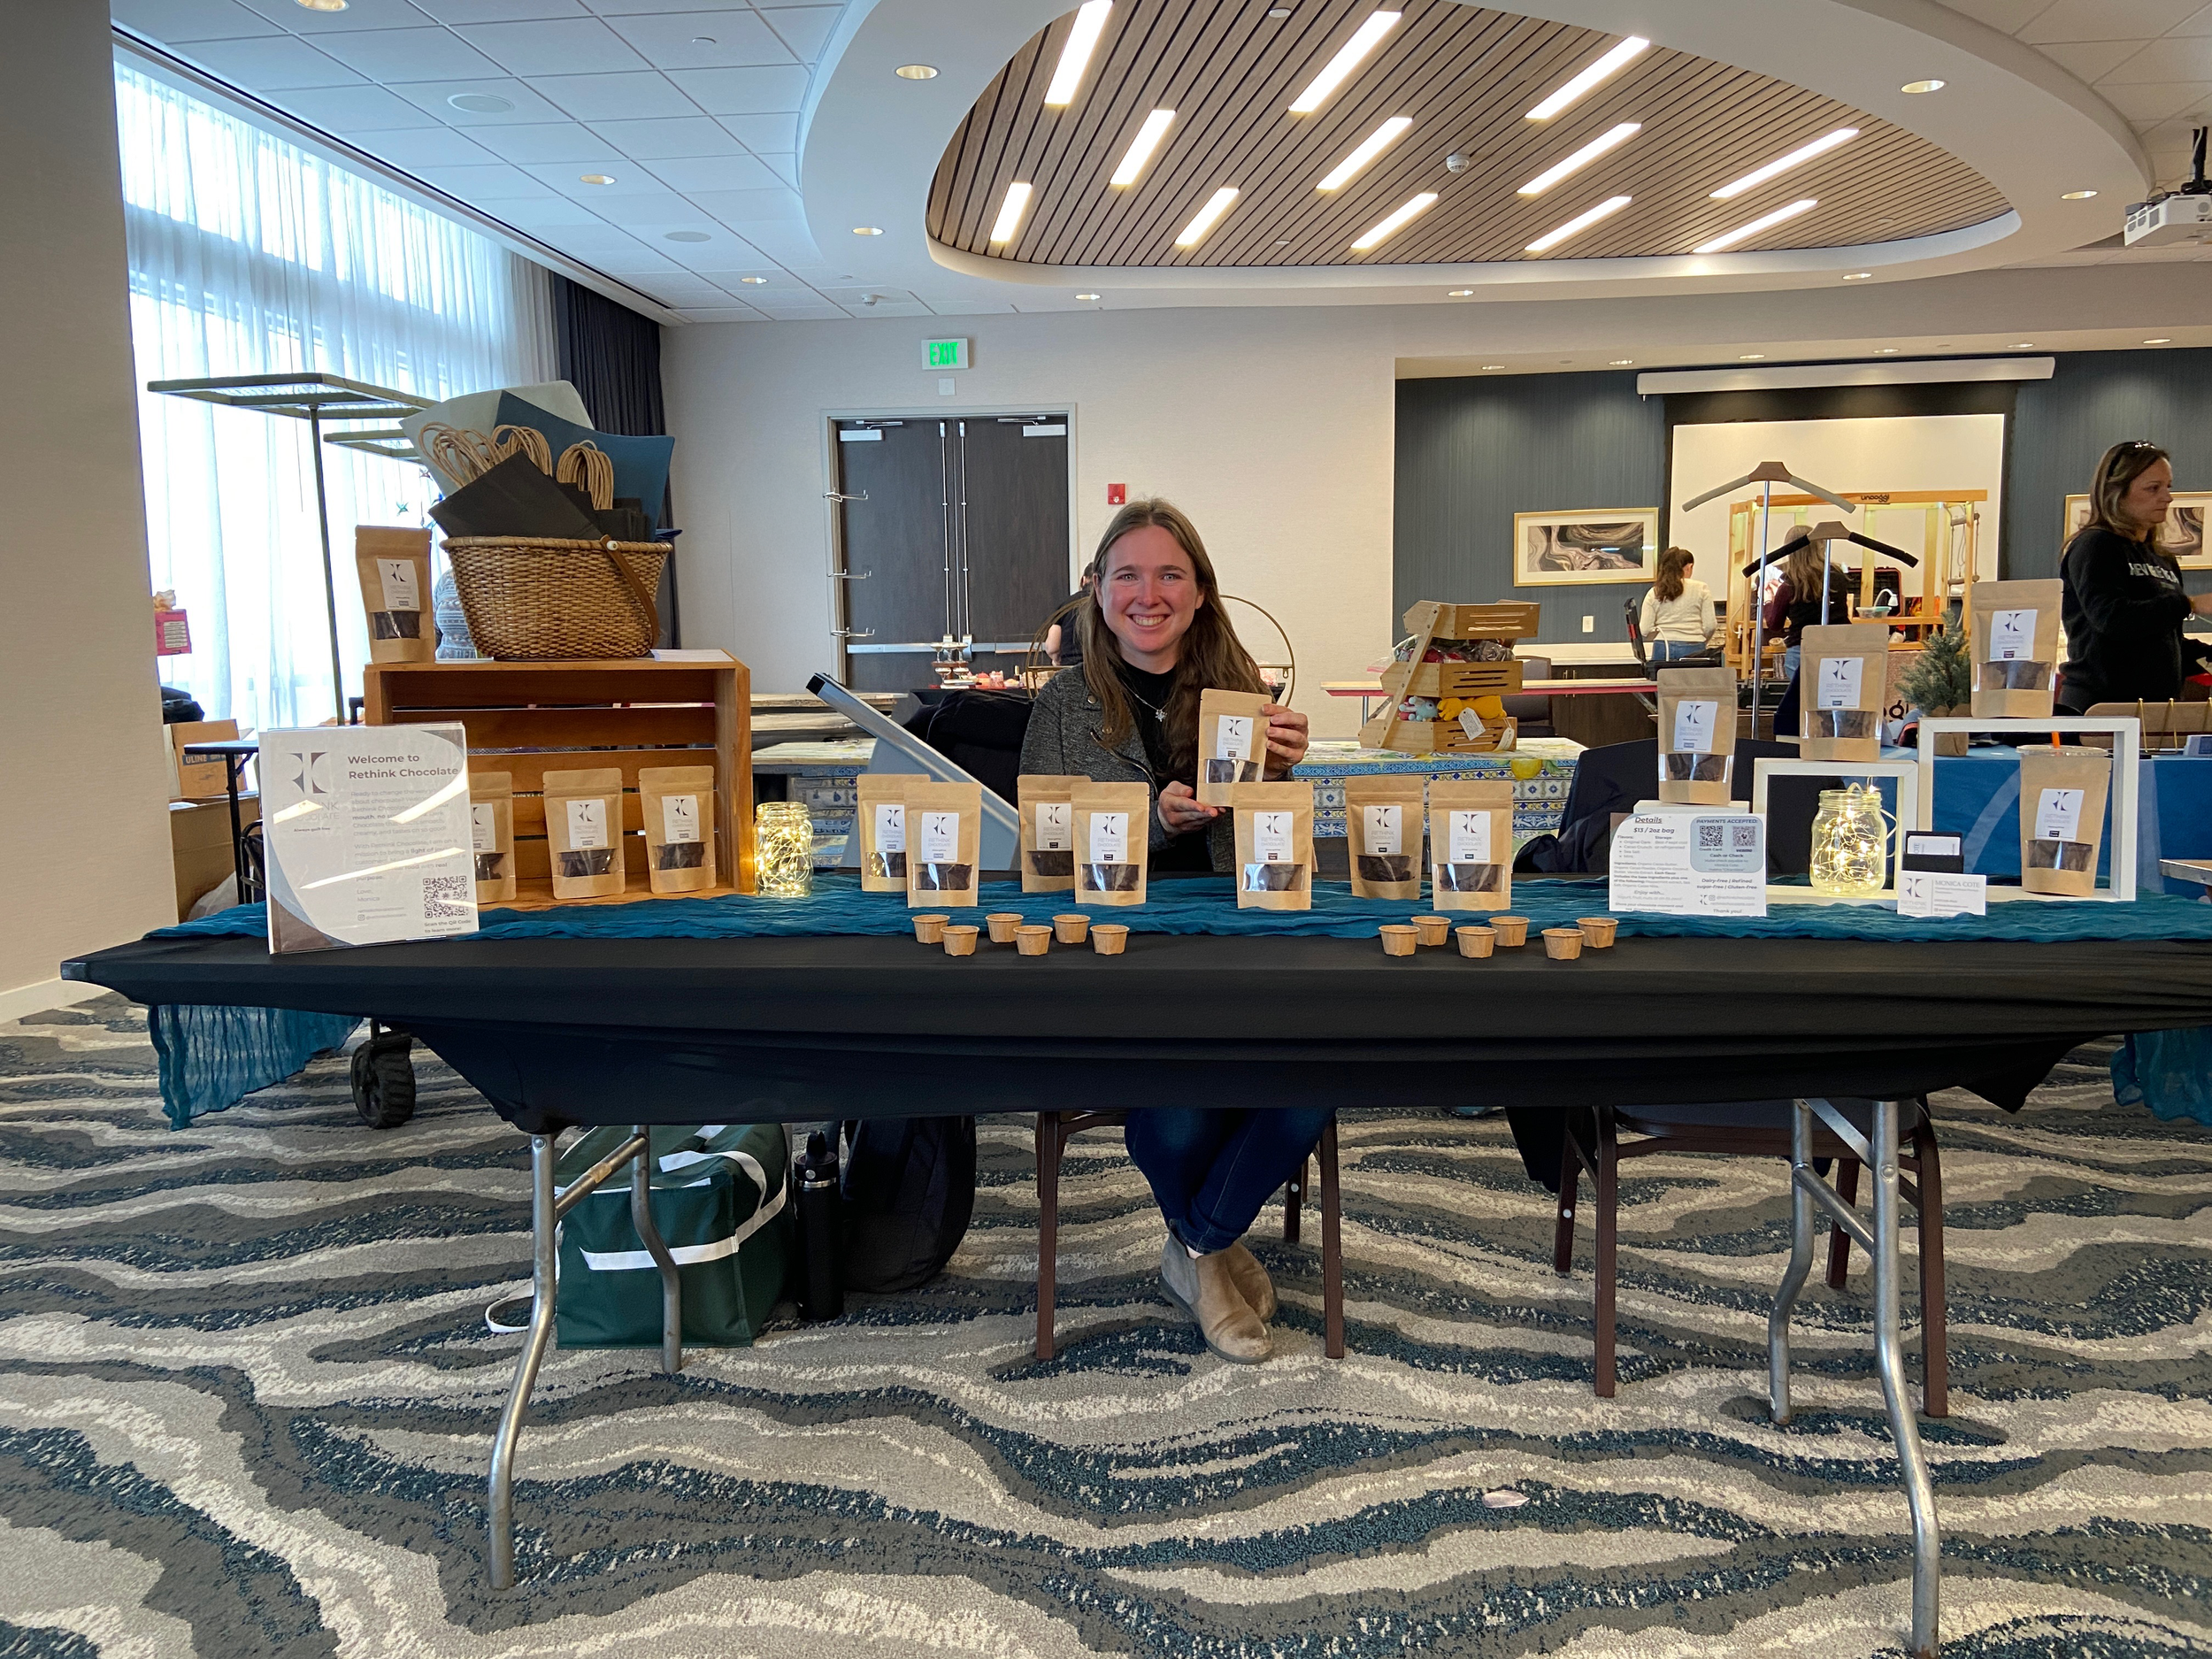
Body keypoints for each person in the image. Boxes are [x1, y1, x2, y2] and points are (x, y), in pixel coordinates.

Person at [1018, 497, 1324, 1364]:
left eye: (1168, 575)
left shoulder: (1244, 692)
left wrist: (1288, 774)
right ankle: (1213, 1253)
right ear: (1097, 592)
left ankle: (1194, 1249)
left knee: (1313, 1079)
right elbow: (1041, 847)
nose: (1146, 593)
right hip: (1120, 954)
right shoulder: (1063, 705)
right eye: (1127, 575)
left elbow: (1276, 846)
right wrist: (1154, 823)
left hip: (1243, 938)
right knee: (1182, 1108)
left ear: (1199, 594)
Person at [2057, 441, 2212, 712]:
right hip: (2100, 707)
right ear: (2116, 492)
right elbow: (2112, 620)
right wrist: (2188, 604)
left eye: (2168, 487)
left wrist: (2203, 656)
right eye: (2153, 488)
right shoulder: (2096, 545)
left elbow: (2160, 641)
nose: (2168, 497)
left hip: (2154, 710)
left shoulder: (2162, 558)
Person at [1761, 534, 1849, 685]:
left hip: (1802, 649)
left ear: (1790, 551)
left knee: (1803, 702)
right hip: (1839, 646)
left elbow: (1775, 624)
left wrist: (1768, 600)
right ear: (1819, 546)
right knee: (1837, 698)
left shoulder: (1788, 586)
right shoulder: (1838, 577)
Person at [1639, 546, 1716, 664]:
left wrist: (1661, 634)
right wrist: (1700, 639)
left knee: (1664, 682)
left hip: (1663, 646)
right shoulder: (1701, 588)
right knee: (1693, 682)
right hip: (1693, 647)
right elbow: (1710, 626)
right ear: (1689, 567)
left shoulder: (1654, 591)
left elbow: (1644, 630)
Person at [1041, 569, 1094, 667]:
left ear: (1084, 580)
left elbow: (1052, 647)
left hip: (1070, 667)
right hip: (1102, 670)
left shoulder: (1066, 604)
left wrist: (1056, 660)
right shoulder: (1108, 604)